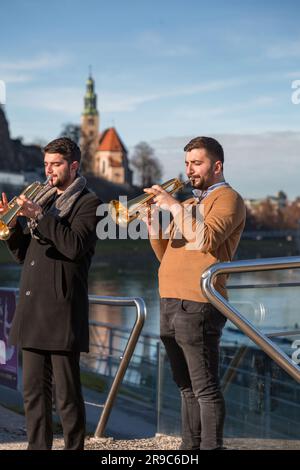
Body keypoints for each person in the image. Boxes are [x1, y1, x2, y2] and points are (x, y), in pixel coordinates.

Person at [144, 136, 246, 450]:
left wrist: (174, 207)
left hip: (201, 302)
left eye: (197, 163)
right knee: (185, 387)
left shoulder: (228, 199)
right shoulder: (189, 205)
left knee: (205, 389)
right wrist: (152, 226)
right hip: (170, 300)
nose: (190, 170)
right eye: (187, 163)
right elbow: (169, 255)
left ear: (217, 166)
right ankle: (189, 449)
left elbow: (205, 240)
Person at [0, 137, 100, 450]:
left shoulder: (89, 203)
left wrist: (38, 218)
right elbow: (25, 255)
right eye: (46, 164)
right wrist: (12, 228)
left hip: (61, 309)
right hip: (31, 309)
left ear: (73, 165)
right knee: (33, 393)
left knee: (67, 396)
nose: (49, 171)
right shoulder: (42, 198)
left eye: (55, 164)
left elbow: (74, 246)